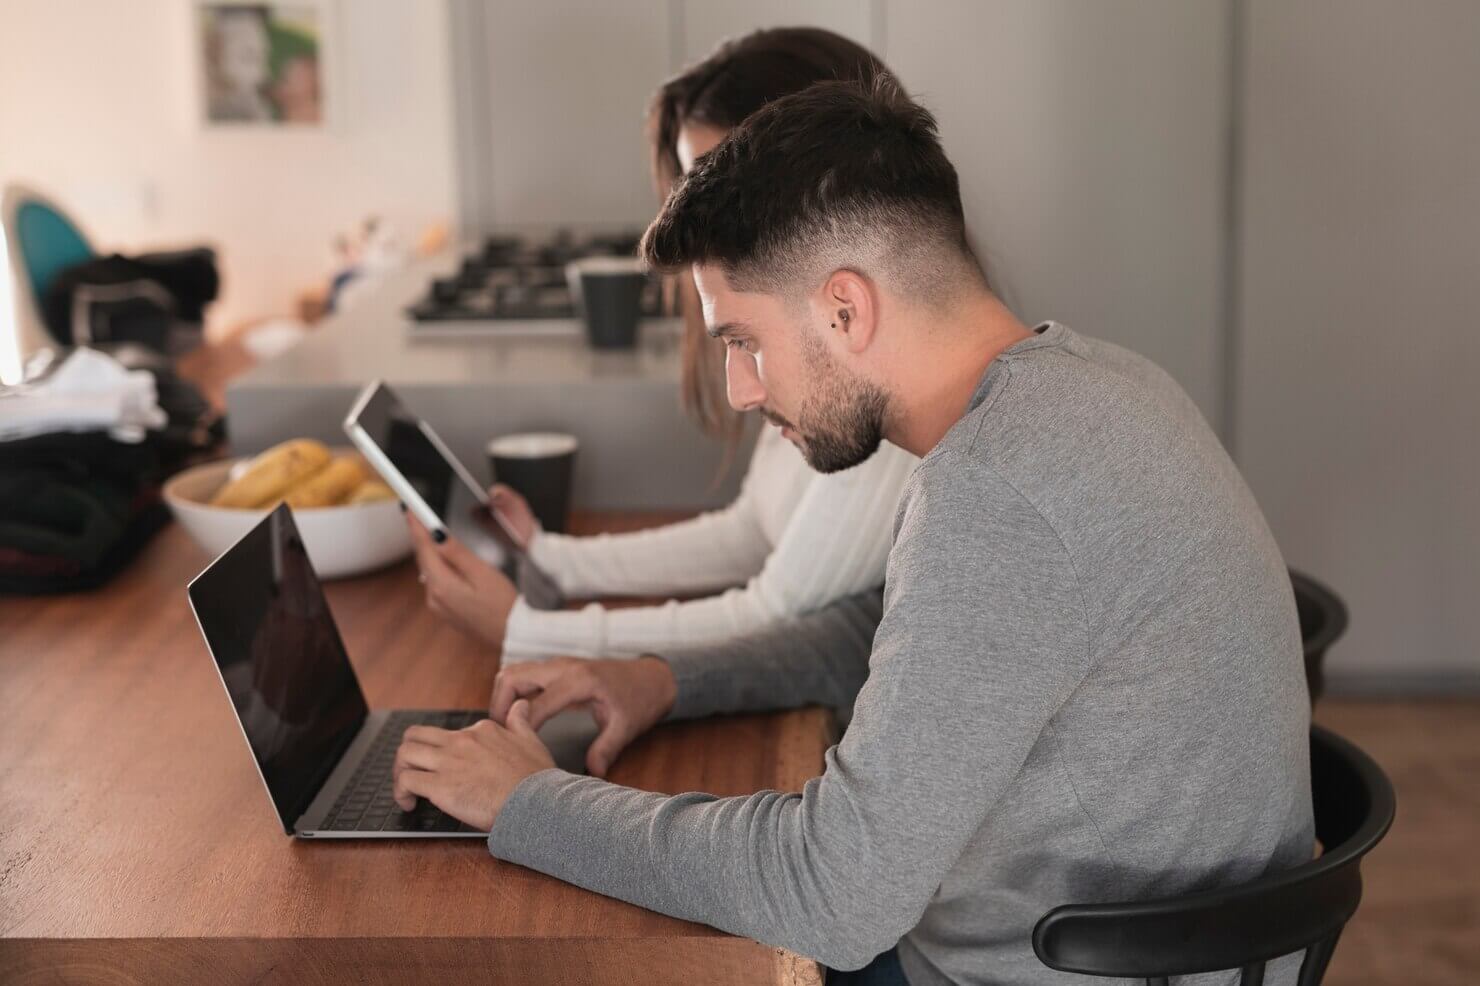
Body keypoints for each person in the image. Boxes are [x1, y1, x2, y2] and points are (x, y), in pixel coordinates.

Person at [390, 80, 1315, 986]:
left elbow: (833, 895)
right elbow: (887, 634)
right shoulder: (1097, 383)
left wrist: (527, 802)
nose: (743, 391)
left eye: (742, 340)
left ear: (845, 308)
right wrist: (668, 679)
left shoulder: (996, 490)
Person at [408, 28, 918, 664]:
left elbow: (772, 612)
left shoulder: (870, 378)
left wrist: (526, 632)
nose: (695, 213)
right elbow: (754, 532)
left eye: (712, 176)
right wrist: (553, 558)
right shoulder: (810, 341)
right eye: (688, 182)